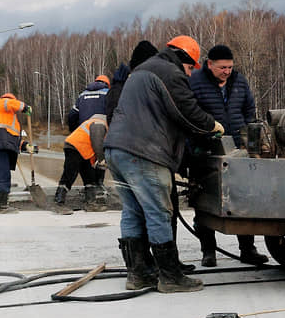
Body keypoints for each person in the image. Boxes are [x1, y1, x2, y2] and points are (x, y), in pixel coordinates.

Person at [105, 35, 224, 293]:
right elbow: (187, 112)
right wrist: (211, 125)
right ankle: (170, 277)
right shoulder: (169, 72)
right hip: (142, 152)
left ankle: (138, 275)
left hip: (116, 150)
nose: (191, 75)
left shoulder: (142, 71)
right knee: (159, 212)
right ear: (185, 59)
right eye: (191, 68)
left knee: (133, 212)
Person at [188, 44, 268, 267]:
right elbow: (188, 112)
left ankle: (248, 249)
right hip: (204, 149)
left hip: (238, 151)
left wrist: (249, 137)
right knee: (204, 202)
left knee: (244, 199)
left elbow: (249, 110)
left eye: (230, 67)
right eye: (222, 67)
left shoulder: (239, 82)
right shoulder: (195, 82)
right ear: (209, 64)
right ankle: (208, 251)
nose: (227, 71)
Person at [66, 75, 112, 208]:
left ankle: (89, 189)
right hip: (101, 129)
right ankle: (98, 185)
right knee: (100, 156)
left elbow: (73, 115)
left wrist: (74, 130)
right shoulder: (107, 93)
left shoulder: (82, 95)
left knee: (86, 160)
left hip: (84, 132)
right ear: (107, 84)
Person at [0, 93, 31, 213]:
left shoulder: (3, 116)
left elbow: (12, 135)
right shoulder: (1, 103)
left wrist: (24, 145)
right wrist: (25, 107)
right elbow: (9, 103)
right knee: (3, 174)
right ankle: (2, 205)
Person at [55, 113, 108, 210]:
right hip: (75, 147)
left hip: (82, 151)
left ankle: (91, 203)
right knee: (70, 174)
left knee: (89, 177)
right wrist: (101, 159)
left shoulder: (96, 122)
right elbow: (97, 142)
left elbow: (93, 146)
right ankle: (58, 203)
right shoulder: (99, 123)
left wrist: (96, 162)